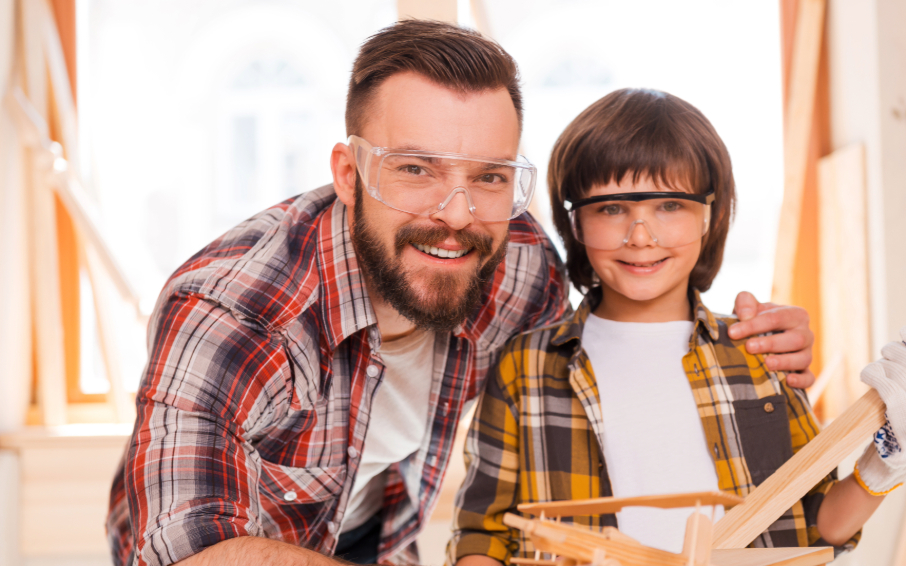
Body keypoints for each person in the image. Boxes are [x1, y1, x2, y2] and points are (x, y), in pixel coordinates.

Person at [105, 21, 819, 566]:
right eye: (416, 169)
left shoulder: (520, 267)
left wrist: (756, 342)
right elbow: (188, 551)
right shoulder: (232, 312)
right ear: (349, 175)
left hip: (382, 538)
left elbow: (625, 318)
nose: (456, 214)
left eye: (488, 176)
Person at [449, 88, 906, 565]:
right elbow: (483, 534)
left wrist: (892, 455)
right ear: (576, 223)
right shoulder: (526, 366)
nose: (640, 236)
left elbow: (818, 523)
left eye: (669, 205)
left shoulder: (759, 354)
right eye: (611, 208)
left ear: (710, 215)